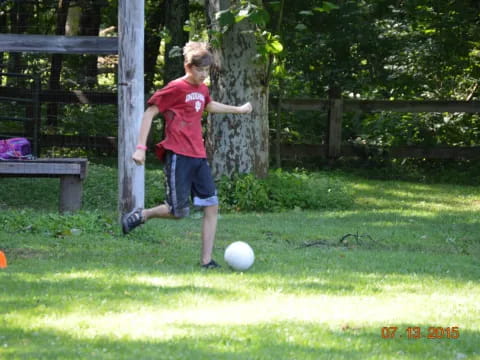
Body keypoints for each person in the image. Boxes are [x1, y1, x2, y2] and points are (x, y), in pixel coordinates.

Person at [121, 41, 252, 269]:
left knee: (211, 206)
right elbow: (149, 113)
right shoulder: (175, 88)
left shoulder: (202, 89)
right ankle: (144, 215)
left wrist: (238, 110)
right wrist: (140, 148)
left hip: (198, 156)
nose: (203, 75)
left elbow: (207, 106)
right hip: (178, 155)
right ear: (187, 66)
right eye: (199, 70)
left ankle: (206, 261)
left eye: (206, 71)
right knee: (177, 211)